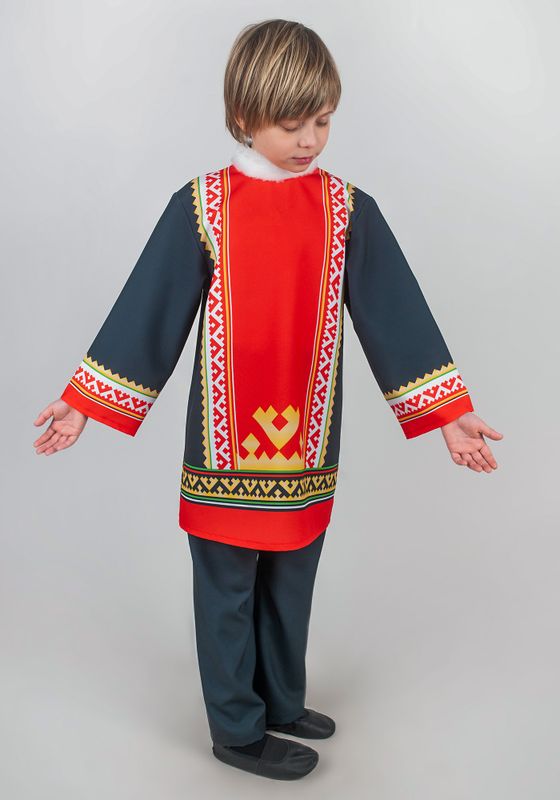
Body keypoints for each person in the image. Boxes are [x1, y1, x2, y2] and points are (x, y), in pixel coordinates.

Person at [33, 19, 503, 781]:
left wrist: (449, 415)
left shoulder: (347, 209)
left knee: (292, 578)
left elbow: (394, 314)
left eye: (323, 121)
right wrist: (85, 401)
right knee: (227, 587)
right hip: (224, 450)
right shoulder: (203, 206)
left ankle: (281, 700)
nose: (310, 140)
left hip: (307, 443)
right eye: (292, 125)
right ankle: (236, 728)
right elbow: (151, 308)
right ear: (243, 115)